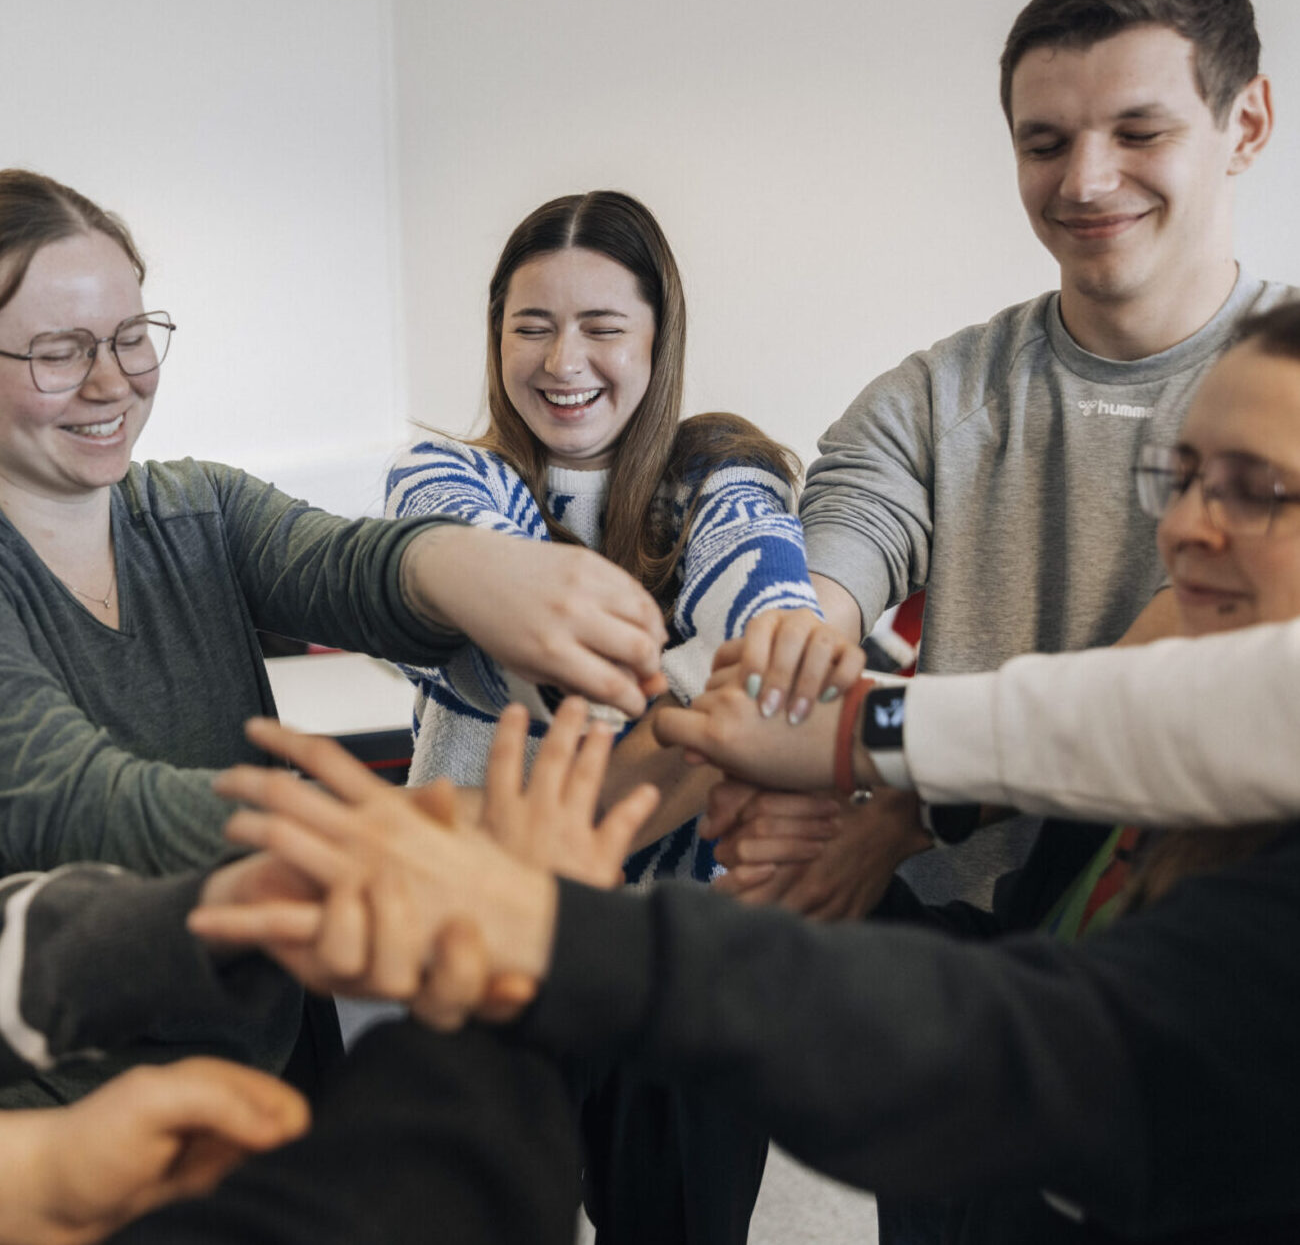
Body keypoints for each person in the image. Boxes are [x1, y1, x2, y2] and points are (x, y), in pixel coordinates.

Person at [194, 302, 1300, 1244]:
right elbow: (1058, 757)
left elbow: (1010, 1046)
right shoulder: (1184, 742)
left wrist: (555, 925)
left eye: (1259, 491)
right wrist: (845, 793)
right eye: (1182, 477)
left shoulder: (717, 477)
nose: (1185, 531)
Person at [0, 168, 667, 1109]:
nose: (112, 381)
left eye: (131, 336)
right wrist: (438, 834)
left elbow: (341, 565)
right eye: (59, 351)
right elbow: (88, 807)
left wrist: (467, 566)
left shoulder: (196, 507)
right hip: (67, 1114)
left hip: (274, 1040)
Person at [728, 0, 1298, 924]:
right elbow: (811, 611)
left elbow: (1148, 686)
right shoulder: (931, 398)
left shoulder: (1283, 394)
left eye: (1138, 132)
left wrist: (903, 799)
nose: (1086, 181)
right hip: (934, 942)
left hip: (1187, 942)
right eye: (1044, 144)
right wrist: (779, 714)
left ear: (1244, 124)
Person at [385, 190, 832, 885]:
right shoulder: (442, 476)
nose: (563, 362)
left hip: (681, 932)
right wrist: (694, 691)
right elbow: (530, 652)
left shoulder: (724, 472)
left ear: (659, 337)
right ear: (497, 337)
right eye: (532, 328)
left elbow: (769, 653)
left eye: (602, 328)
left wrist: (738, 684)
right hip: (473, 909)